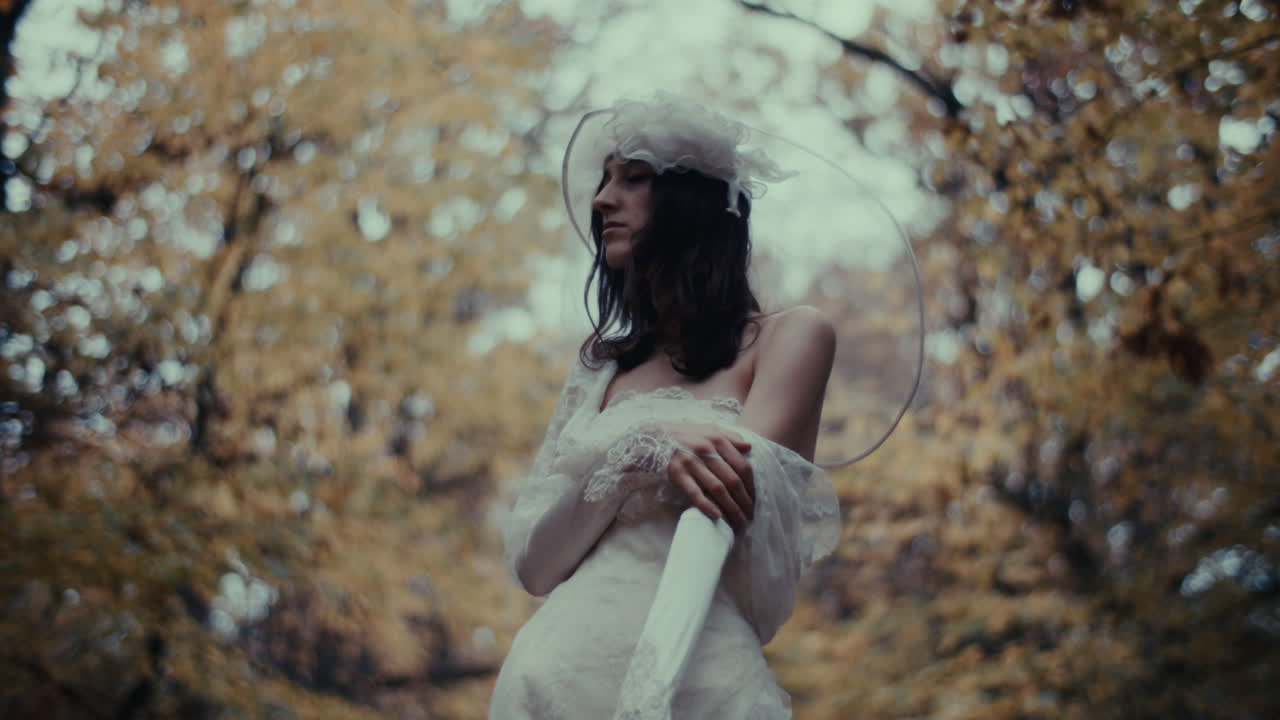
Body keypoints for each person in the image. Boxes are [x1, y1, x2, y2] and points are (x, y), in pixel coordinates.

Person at [489, 96, 842, 718]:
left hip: (697, 692)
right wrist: (640, 448)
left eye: (634, 178)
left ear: (694, 203)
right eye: (604, 179)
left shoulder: (794, 337)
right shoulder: (601, 364)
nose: (602, 199)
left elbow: (722, 512)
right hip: (549, 684)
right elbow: (535, 567)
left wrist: (646, 698)